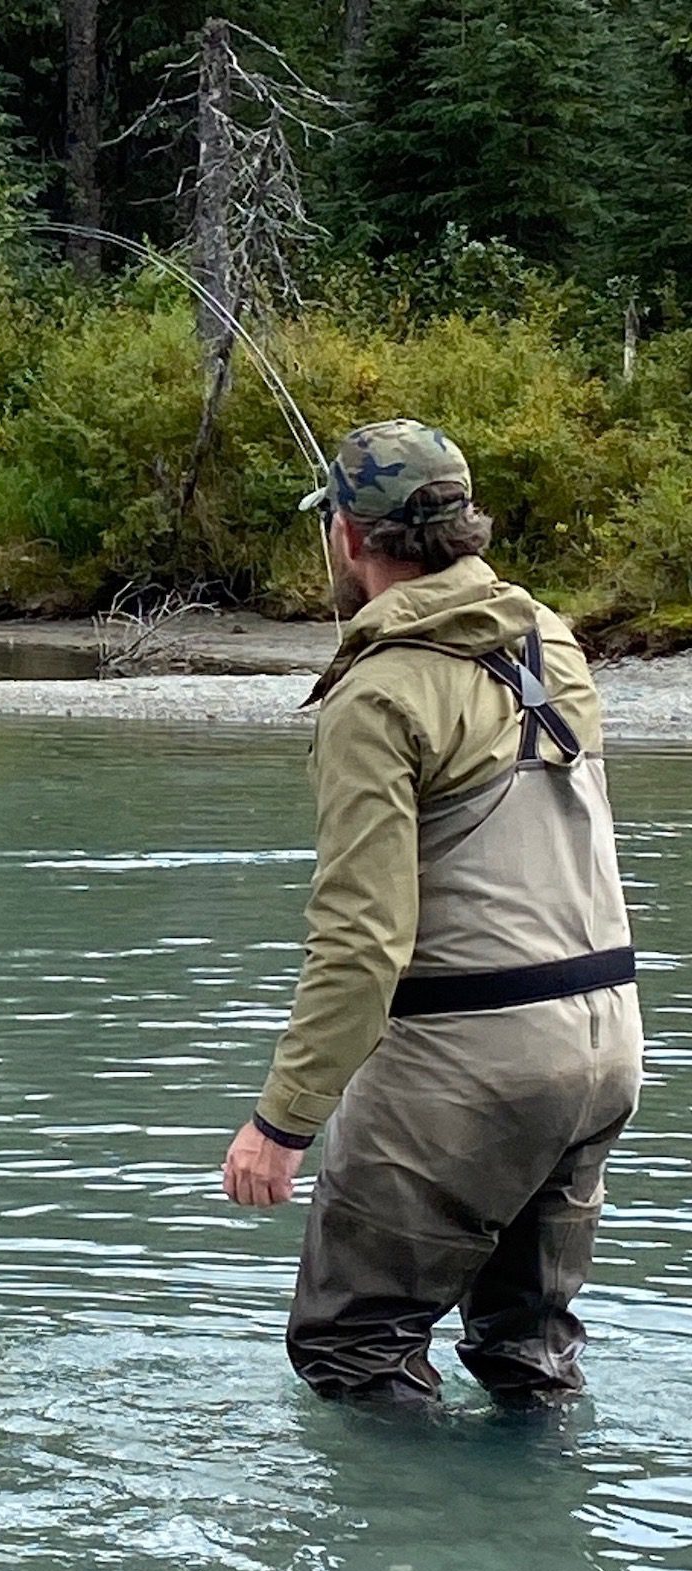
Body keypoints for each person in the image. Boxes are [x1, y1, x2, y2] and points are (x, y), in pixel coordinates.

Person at [222, 418, 643, 1405]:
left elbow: (361, 941)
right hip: (604, 1051)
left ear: (347, 536)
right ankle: (544, 1504)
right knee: (527, 1352)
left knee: (353, 1347)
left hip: (467, 1064)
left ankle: (404, 1514)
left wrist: (281, 1122)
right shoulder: (551, 640)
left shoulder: (377, 693)